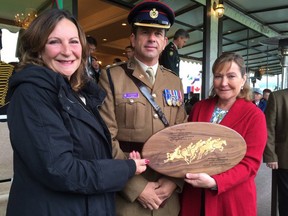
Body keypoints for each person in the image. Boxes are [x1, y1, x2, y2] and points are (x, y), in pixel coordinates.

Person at [6, 9, 148, 216]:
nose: (67, 51)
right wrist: (126, 168)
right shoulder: (33, 94)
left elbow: (87, 151)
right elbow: (62, 171)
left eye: (73, 41)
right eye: (54, 42)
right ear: (37, 48)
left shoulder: (75, 91)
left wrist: (126, 159)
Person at [98, 1, 187, 216]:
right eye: (145, 32)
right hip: (127, 198)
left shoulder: (174, 81)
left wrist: (173, 180)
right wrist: (136, 187)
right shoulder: (112, 77)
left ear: (165, 42)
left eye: (158, 33)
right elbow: (104, 138)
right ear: (133, 38)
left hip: (167, 196)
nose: (151, 38)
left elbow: (183, 135)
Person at [180, 52, 267, 216]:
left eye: (231, 76)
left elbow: (250, 164)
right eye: (218, 76)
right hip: (195, 195)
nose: (224, 83)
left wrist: (215, 182)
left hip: (231, 198)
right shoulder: (199, 107)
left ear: (243, 79)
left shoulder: (254, 116)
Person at [263, 88, 288, 216]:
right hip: (285, 159)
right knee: (286, 200)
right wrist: (270, 155)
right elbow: (268, 128)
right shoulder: (278, 97)